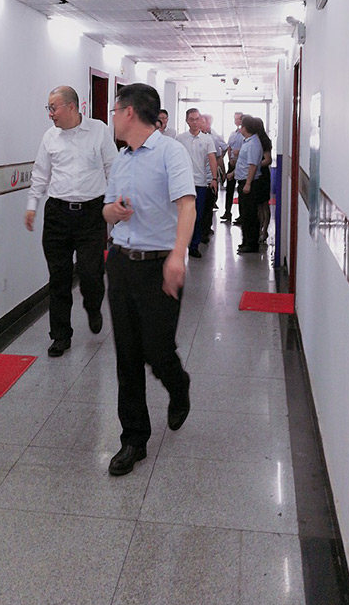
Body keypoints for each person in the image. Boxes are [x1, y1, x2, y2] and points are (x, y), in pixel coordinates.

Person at [103, 83, 196, 476]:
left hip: (159, 266)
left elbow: (187, 206)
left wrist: (177, 255)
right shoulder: (121, 159)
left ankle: (178, 385)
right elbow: (105, 211)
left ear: (129, 112)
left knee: (157, 349)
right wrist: (115, 212)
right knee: (127, 355)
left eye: (114, 110)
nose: (111, 117)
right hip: (121, 262)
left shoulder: (170, 151)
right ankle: (133, 439)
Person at [25, 85, 118, 357]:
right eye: (49, 108)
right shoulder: (50, 137)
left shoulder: (98, 130)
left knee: (90, 273)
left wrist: (115, 206)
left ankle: (93, 306)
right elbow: (41, 173)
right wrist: (32, 205)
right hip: (57, 214)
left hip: (91, 214)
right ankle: (60, 335)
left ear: (71, 107)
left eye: (53, 108)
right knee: (59, 277)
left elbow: (113, 168)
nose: (50, 114)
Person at [176, 108, 218, 257]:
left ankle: (194, 245)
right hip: (183, 184)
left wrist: (214, 179)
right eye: (191, 119)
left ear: (201, 121)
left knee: (198, 216)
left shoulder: (207, 139)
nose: (194, 122)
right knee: (182, 216)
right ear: (187, 121)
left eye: (197, 119)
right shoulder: (180, 139)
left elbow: (212, 159)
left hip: (200, 183)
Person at [232, 115, 264, 253]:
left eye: (241, 126)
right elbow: (244, 163)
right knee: (245, 214)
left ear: (245, 128)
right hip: (243, 181)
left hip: (249, 183)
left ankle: (251, 244)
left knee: (250, 215)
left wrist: (248, 184)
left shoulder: (253, 144)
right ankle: (246, 241)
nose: (240, 128)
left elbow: (252, 166)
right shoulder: (248, 141)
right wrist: (233, 174)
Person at [198, 113, 227, 243]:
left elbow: (218, 158)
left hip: (209, 178)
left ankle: (205, 231)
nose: (201, 124)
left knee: (208, 206)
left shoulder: (212, 139)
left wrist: (221, 174)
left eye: (204, 122)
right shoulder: (188, 139)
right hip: (196, 179)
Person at [221, 112, 244, 224]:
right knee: (229, 190)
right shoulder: (232, 134)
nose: (236, 121)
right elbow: (229, 147)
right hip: (232, 163)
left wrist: (238, 155)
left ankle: (241, 215)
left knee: (241, 190)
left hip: (242, 164)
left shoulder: (245, 134)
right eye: (235, 119)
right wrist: (230, 159)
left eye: (238, 119)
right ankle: (227, 212)